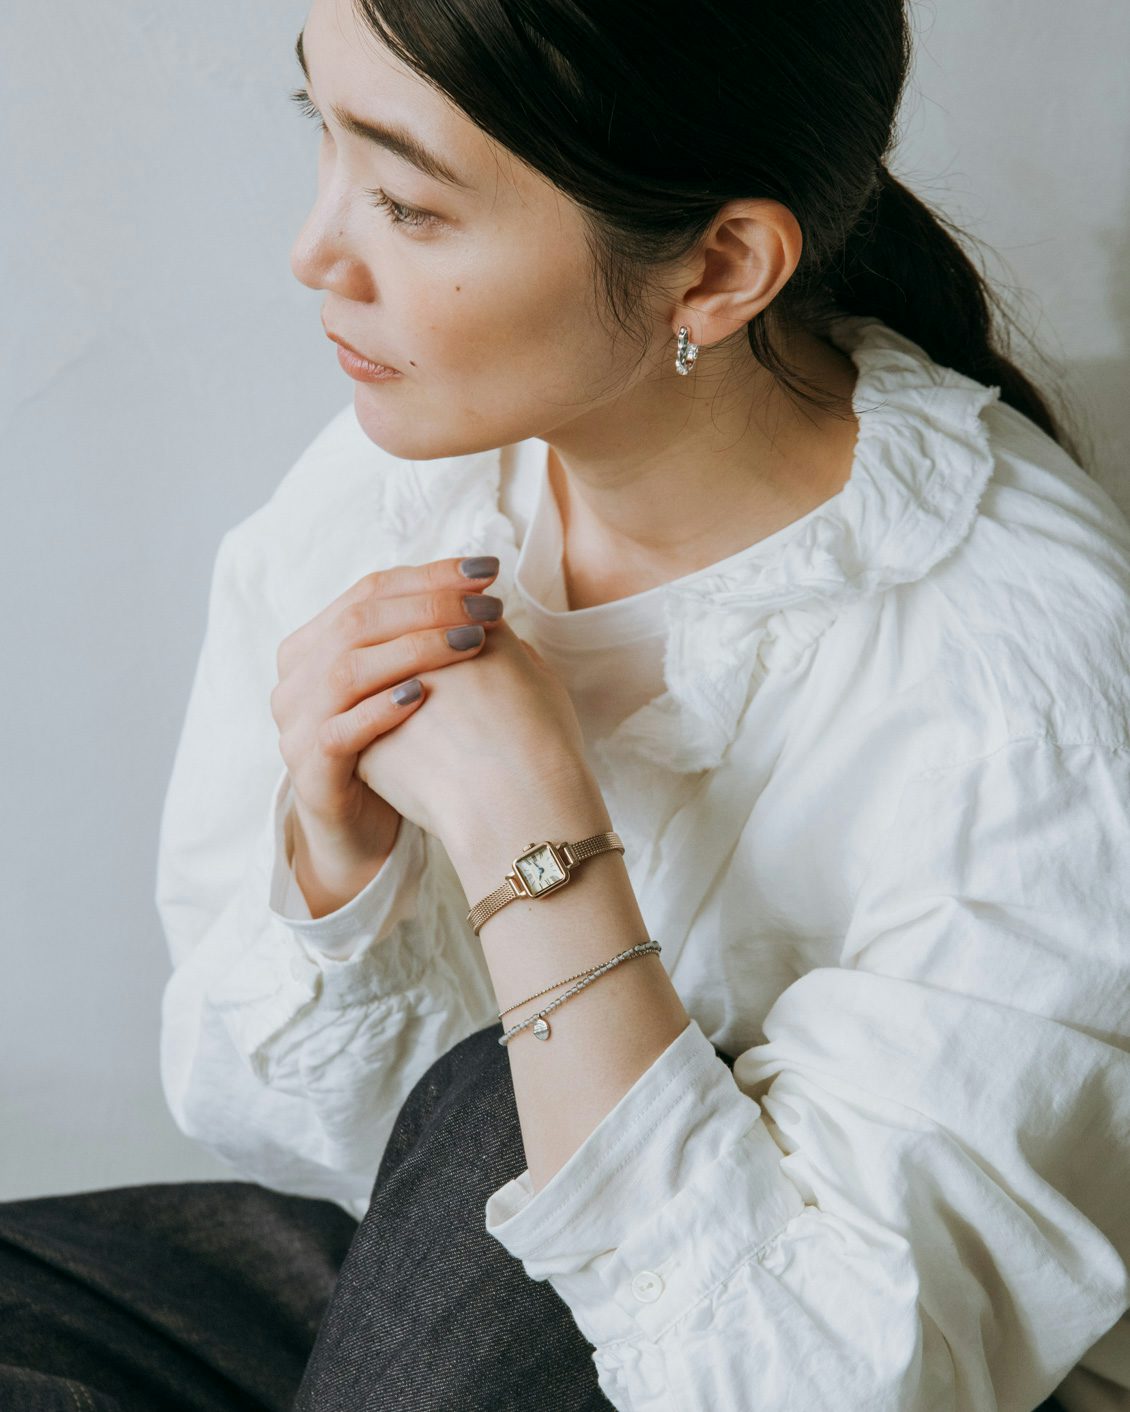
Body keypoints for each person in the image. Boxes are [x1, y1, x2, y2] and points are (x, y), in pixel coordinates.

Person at [2, 0, 1128, 1407]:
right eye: (322, 135)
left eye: (409, 205)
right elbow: (329, 1156)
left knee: (507, 1117)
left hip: (787, 1358)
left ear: (716, 269)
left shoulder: (1028, 687)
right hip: (436, 1290)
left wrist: (533, 846)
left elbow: (810, 1375)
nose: (314, 253)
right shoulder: (404, 487)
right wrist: (341, 864)